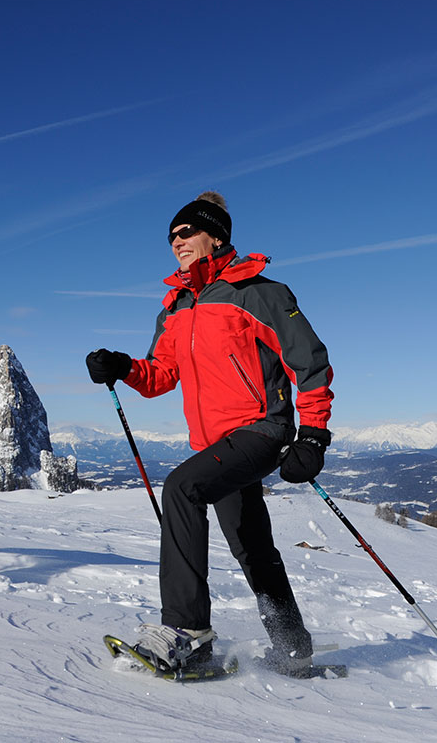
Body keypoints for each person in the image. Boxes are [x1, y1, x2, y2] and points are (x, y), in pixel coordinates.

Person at [86, 191, 333, 675]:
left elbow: (310, 363)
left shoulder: (259, 293)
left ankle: (186, 634)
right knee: (253, 548)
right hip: (216, 444)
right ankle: (293, 650)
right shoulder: (175, 308)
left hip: (261, 429)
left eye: (185, 233)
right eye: (170, 237)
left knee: (183, 488)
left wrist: (313, 436)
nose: (175, 242)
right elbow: (160, 374)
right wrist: (121, 366)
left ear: (215, 236)